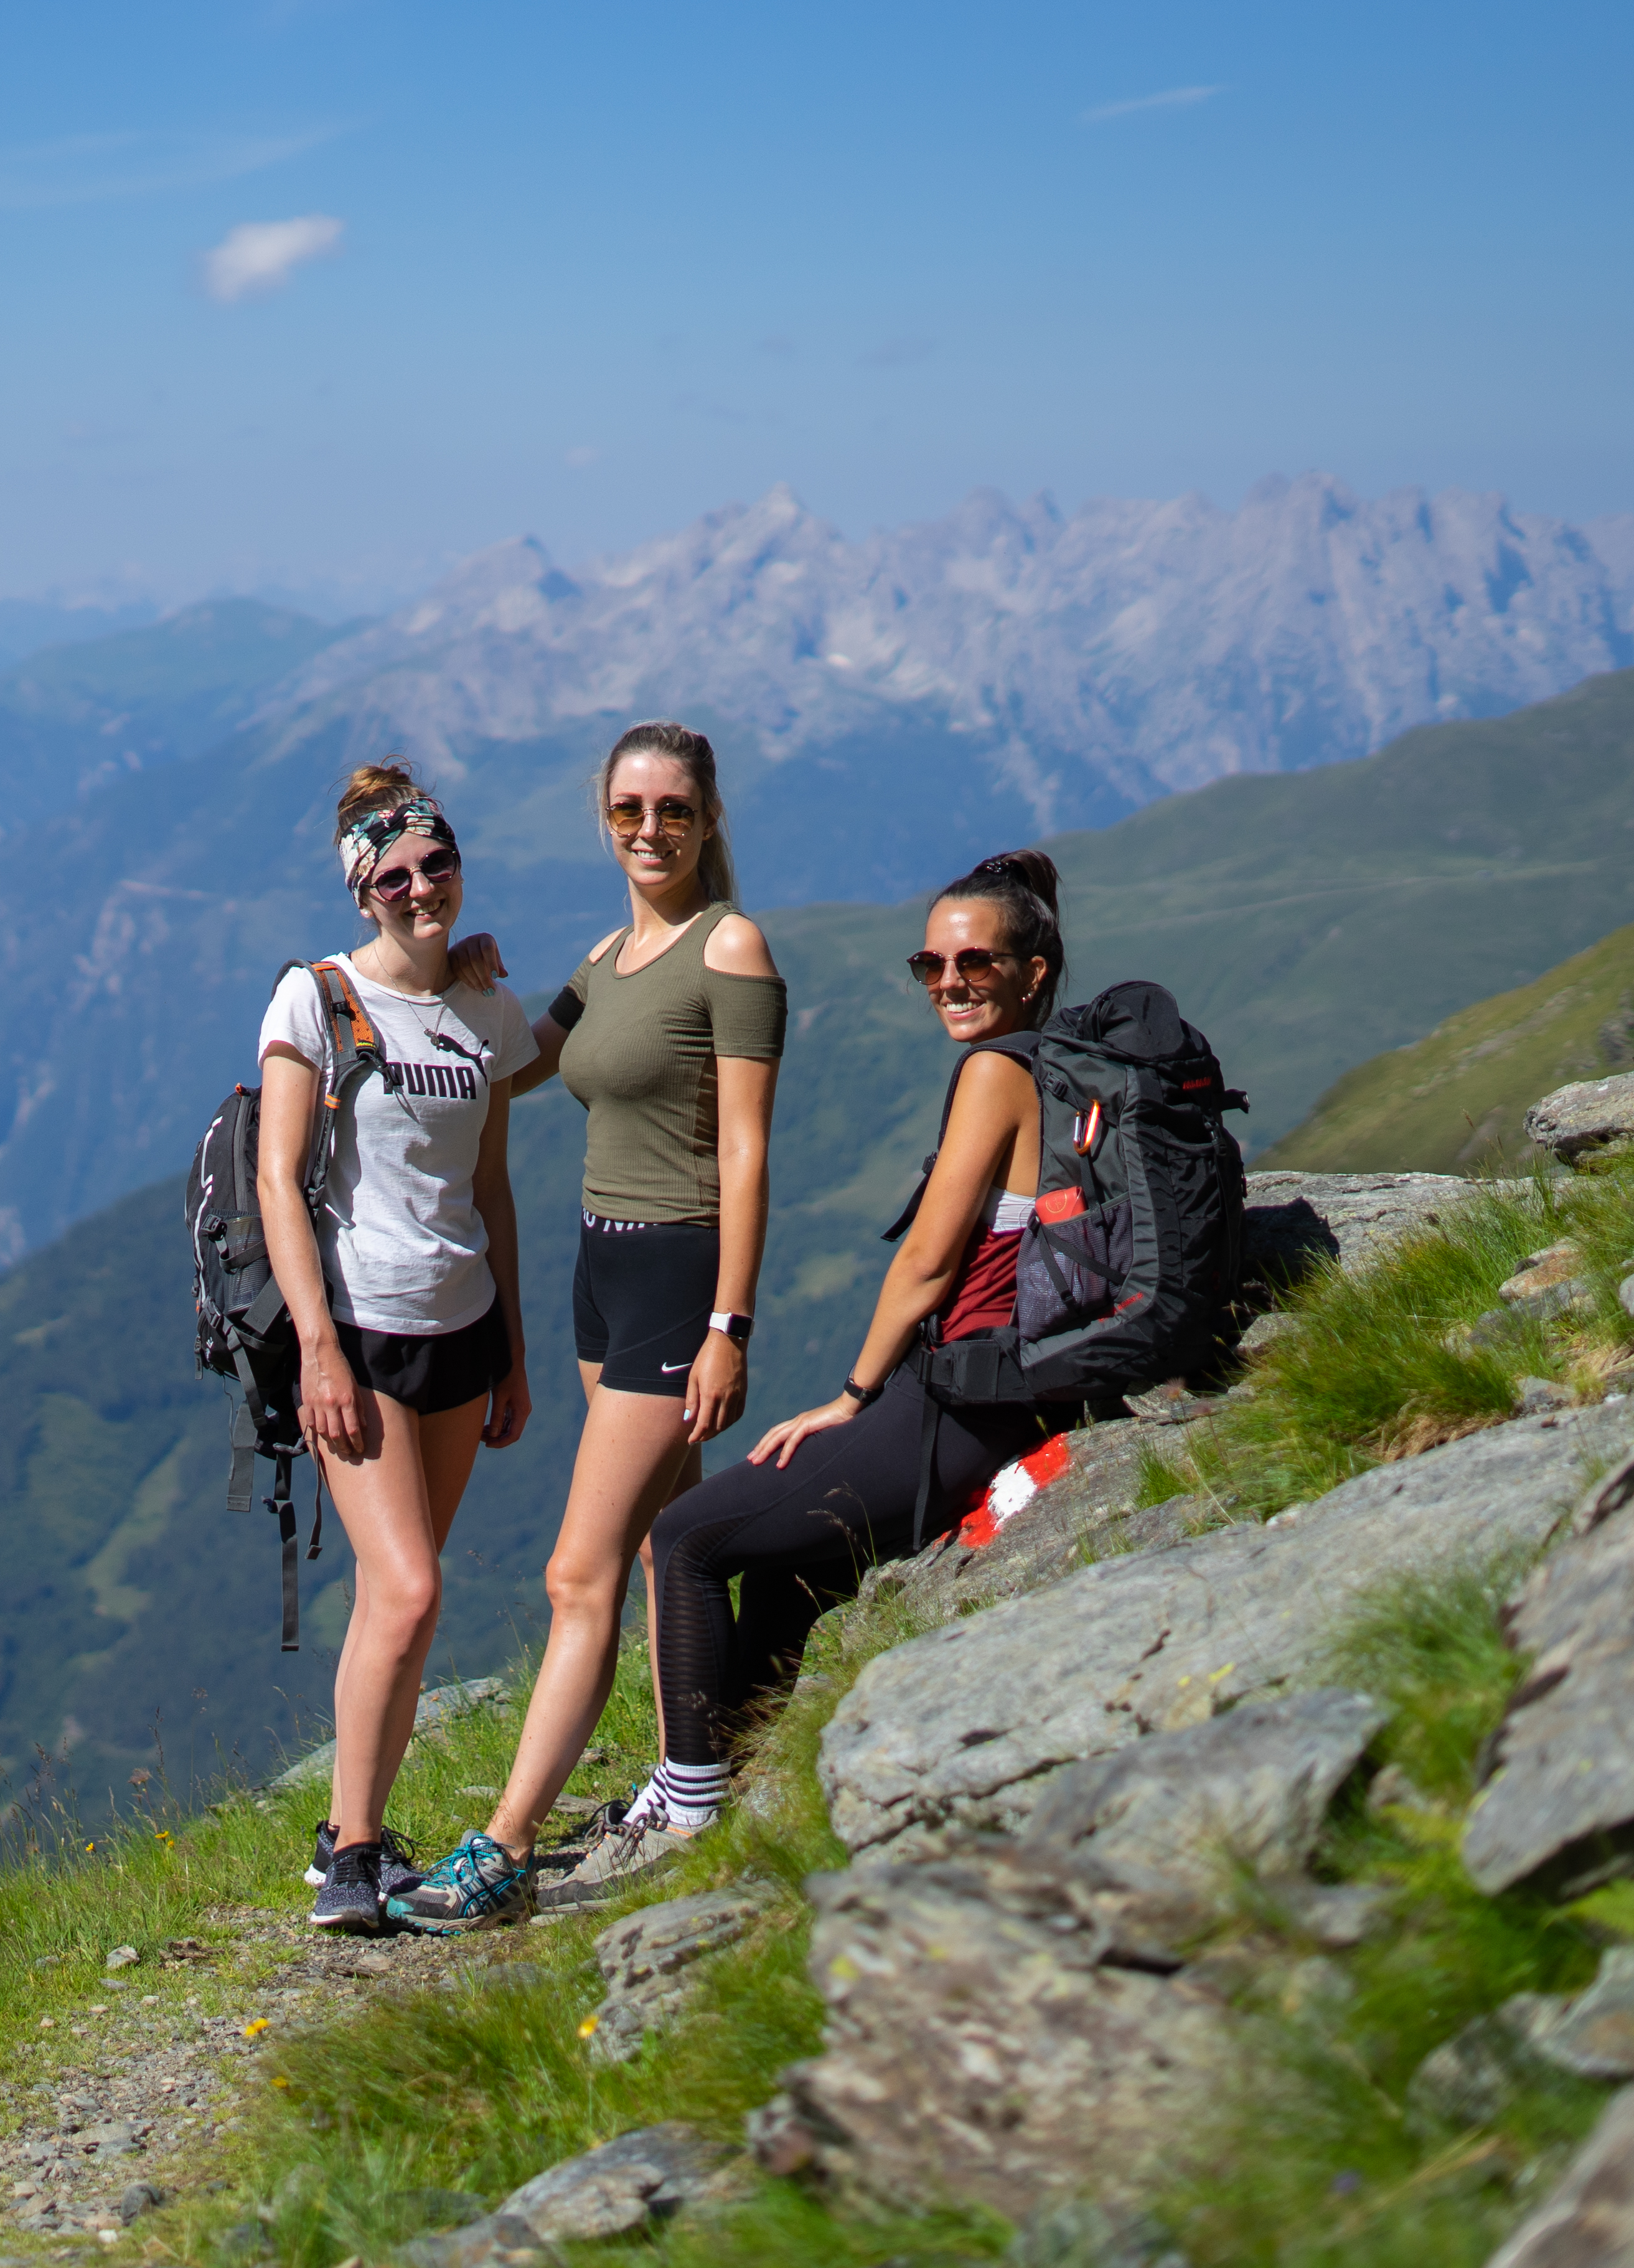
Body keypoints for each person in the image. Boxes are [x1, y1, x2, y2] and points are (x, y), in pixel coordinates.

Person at [576, 850, 1079, 1895]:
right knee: (794, 1571)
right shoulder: (1066, 1059)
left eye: (975, 963)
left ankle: (688, 1798)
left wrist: (849, 1399)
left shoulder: (998, 1073)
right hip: (1009, 1384)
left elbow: (929, 1260)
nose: (949, 982)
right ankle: (741, 1785)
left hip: (970, 1403)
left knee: (687, 1536)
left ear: (1033, 971)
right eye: (930, 965)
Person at [392, 721, 783, 1932]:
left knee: (579, 1571)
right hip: (598, 1271)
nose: (650, 829)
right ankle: (690, 1784)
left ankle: (504, 1848)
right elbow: (509, 1065)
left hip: (677, 1273)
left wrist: (730, 1321)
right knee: (668, 1537)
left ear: (710, 816)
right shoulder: (610, 956)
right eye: (629, 810)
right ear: (603, 819)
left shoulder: (732, 945)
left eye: (673, 808)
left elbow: (750, 1145)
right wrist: (460, 972)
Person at [256, 762, 543, 1934]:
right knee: (412, 1586)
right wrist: (317, 1348)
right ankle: (352, 1852)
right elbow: (279, 1182)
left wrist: (515, 1349)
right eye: (397, 874)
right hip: (363, 1335)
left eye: (439, 864)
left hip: (462, 1327)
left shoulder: (488, 1010)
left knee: (404, 1599)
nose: (424, 887)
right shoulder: (313, 1001)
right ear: (362, 890)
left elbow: (493, 1187)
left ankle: (354, 1833)